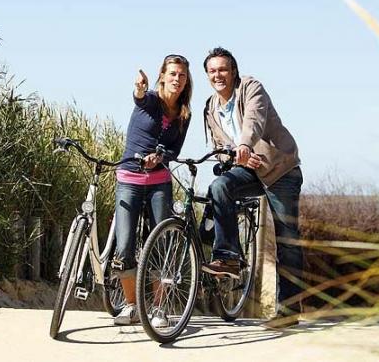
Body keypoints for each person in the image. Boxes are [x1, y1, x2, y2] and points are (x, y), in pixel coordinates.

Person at [201, 47, 303, 328]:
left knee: (287, 239)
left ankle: (290, 310)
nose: (217, 75)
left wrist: (245, 145)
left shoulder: (251, 87)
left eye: (222, 69)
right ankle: (229, 256)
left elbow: (254, 120)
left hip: (280, 170)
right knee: (219, 186)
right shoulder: (210, 107)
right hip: (248, 170)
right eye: (212, 71)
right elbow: (220, 147)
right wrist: (233, 155)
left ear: (233, 71)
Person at [112, 54, 192, 326]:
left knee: (161, 245)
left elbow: (175, 149)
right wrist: (139, 88)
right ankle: (131, 306)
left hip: (159, 182)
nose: (177, 79)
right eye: (172, 74)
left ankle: (159, 309)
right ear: (162, 76)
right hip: (129, 179)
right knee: (124, 247)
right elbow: (139, 98)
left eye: (181, 75)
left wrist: (161, 156)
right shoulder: (150, 101)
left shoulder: (184, 113)